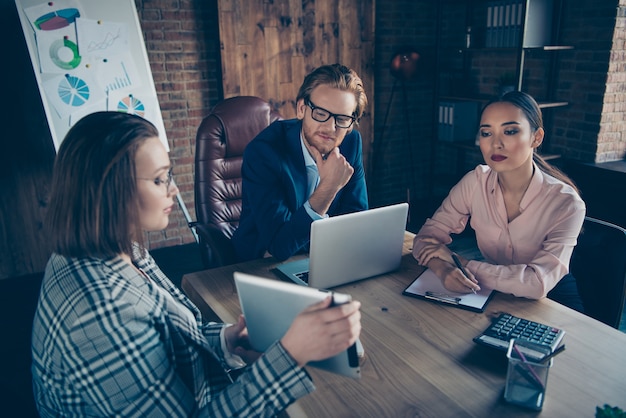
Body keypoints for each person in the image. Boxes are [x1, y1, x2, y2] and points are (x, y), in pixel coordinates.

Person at [31, 112, 362, 417]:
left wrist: (227, 340)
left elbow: (169, 332)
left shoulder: (113, 248)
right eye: (160, 179)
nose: (174, 189)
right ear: (110, 190)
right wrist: (289, 355)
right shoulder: (99, 317)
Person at [412, 91, 586, 310]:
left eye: (510, 131)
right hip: (497, 294)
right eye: (486, 133)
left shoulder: (567, 203)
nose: (496, 143)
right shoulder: (475, 181)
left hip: (554, 302)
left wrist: (461, 263)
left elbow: (537, 283)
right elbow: (425, 239)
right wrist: (443, 269)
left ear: (537, 137)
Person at [232, 63, 369, 262]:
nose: (330, 128)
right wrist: (329, 187)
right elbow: (279, 245)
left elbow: (356, 221)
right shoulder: (264, 152)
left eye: (342, 119)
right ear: (301, 109)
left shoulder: (351, 144)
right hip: (260, 261)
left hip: (320, 256)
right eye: (321, 113)